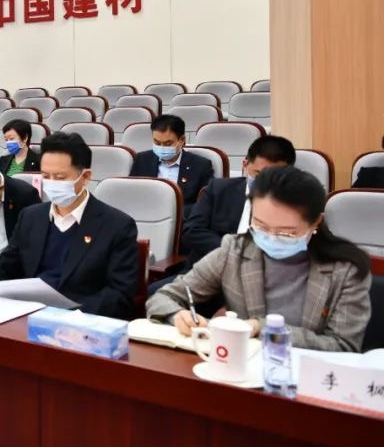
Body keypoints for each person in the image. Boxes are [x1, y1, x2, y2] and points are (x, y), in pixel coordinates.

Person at [148, 166, 371, 352]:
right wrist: (178, 315)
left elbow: (343, 346)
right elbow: (164, 297)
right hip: (241, 369)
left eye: (286, 232)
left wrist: (262, 328)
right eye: (261, 226)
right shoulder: (235, 251)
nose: (271, 237)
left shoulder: (345, 270)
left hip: (309, 378)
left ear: (316, 223)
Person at [0, 132, 139, 320]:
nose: (52, 184)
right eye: (46, 176)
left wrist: (71, 316)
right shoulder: (31, 217)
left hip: (80, 322)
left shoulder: (117, 226)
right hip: (26, 314)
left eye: (60, 177)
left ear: (85, 177)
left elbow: (120, 294)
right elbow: (6, 265)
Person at [180, 135, 297, 270]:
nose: (265, 181)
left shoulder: (297, 204)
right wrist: (234, 252)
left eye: (274, 176)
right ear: (245, 164)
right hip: (211, 266)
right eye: (259, 174)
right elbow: (192, 230)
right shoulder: (218, 190)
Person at [129, 114, 212, 204]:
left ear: (182, 140)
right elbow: (132, 193)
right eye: (157, 143)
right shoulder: (142, 160)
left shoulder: (200, 166)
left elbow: (204, 204)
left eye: (168, 144)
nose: (162, 147)